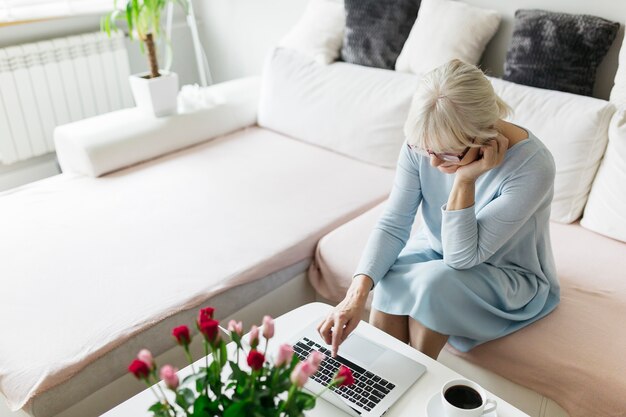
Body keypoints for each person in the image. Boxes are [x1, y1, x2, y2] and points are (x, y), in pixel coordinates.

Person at [317, 59, 560, 360]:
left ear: (484, 134)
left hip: (505, 272)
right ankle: (375, 388)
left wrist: (465, 179)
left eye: (446, 153)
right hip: (438, 249)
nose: (432, 162)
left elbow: (461, 258)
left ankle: (414, 382)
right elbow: (394, 223)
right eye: (425, 150)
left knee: (434, 286)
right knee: (389, 275)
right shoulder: (426, 141)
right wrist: (354, 296)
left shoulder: (533, 167)